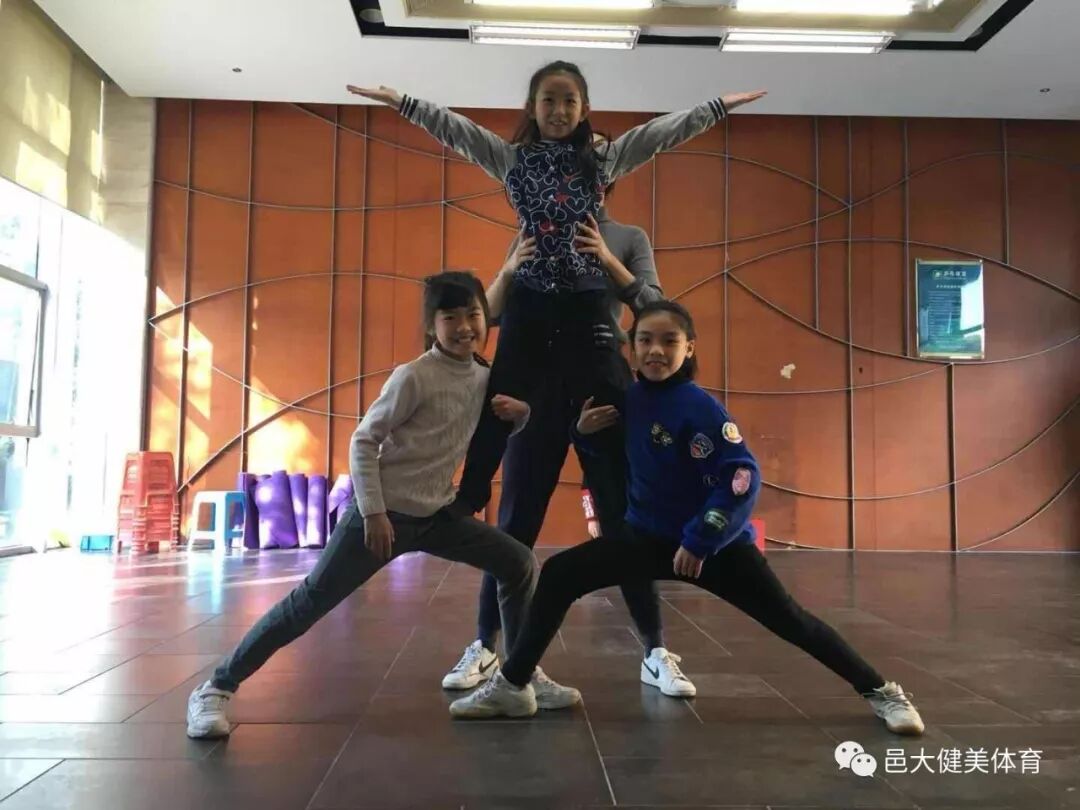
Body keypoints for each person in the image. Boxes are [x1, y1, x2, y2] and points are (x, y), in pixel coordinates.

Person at [447, 300, 926, 738]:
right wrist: (583, 433)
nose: (655, 351)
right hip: (644, 539)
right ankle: (513, 685)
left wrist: (700, 539)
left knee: (791, 621)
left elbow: (741, 478)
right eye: (645, 340)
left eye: (668, 341)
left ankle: (882, 691)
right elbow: (606, 450)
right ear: (631, 348)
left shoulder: (701, 409)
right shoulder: (630, 399)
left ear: (689, 348)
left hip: (713, 549)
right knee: (560, 574)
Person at [185, 272, 579, 738]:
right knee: (308, 602)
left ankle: (518, 675)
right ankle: (215, 688)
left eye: (473, 314)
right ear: (431, 325)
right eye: (450, 317)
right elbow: (363, 441)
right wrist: (372, 511)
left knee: (518, 563)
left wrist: (523, 415)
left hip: (437, 515)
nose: (464, 326)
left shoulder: (483, 377)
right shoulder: (413, 376)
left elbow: (479, 431)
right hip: (382, 518)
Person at [442, 186, 696, 698]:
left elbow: (656, 307)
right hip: (536, 395)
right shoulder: (531, 228)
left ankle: (654, 651)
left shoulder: (627, 237)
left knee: (624, 522)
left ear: (603, 178)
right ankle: (485, 645)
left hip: (601, 391)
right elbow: (494, 314)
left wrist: (607, 264)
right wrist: (508, 268)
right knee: (515, 524)